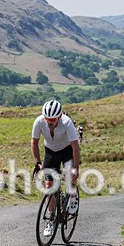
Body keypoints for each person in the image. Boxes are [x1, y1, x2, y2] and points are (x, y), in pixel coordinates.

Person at [31, 99, 80, 237]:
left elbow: (75, 146)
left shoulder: (67, 122)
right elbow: (34, 142)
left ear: (59, 116)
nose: (50, 121)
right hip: (51, 151)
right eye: (47, 118)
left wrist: (76, 168)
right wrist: (38, 162)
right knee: (49, 185)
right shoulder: (39, 122)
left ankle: (73, 195)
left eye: (52, 119)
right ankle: (51, 218)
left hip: (67, 150)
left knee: (70, 176)